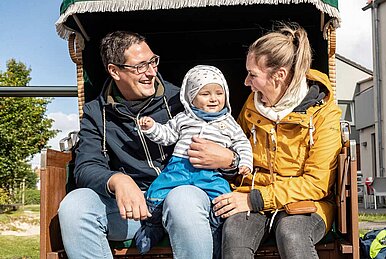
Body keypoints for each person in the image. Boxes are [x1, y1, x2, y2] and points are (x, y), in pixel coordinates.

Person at [57, 31, 235, 259]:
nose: (152, 72)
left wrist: (232, 160)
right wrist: (117, 180)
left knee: (182, 199)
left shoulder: (181, 101)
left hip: (186, 203)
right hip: (134, 208)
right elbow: (86, 166)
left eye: (152, 61)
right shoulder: (95, 112)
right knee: (75, 206)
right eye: (140, 66)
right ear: (114, 71)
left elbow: (227, 135)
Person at [211, 23, 343, 258]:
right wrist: (229, 161)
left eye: (253, 75)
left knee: (291, 233)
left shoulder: (324, 113)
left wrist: (257, 199)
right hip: (252, 194)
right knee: (234, 234)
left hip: (306, 201)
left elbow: (316, 184)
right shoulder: (251, 106)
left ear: (279, 75)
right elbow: (239, 158)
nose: (245, 83)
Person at [134, 65, 253, 254]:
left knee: (222, 197)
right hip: (179, 167)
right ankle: (152, 225)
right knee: (156, 191)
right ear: (191, 98)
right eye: (205, 94)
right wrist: (151, 128)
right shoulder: (183, 118)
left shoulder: (229, 123)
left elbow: (242, 144)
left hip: (210, 174)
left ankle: (216, 230)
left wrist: (245, 163)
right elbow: (167, 135)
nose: (214, 98)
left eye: (219, 93)